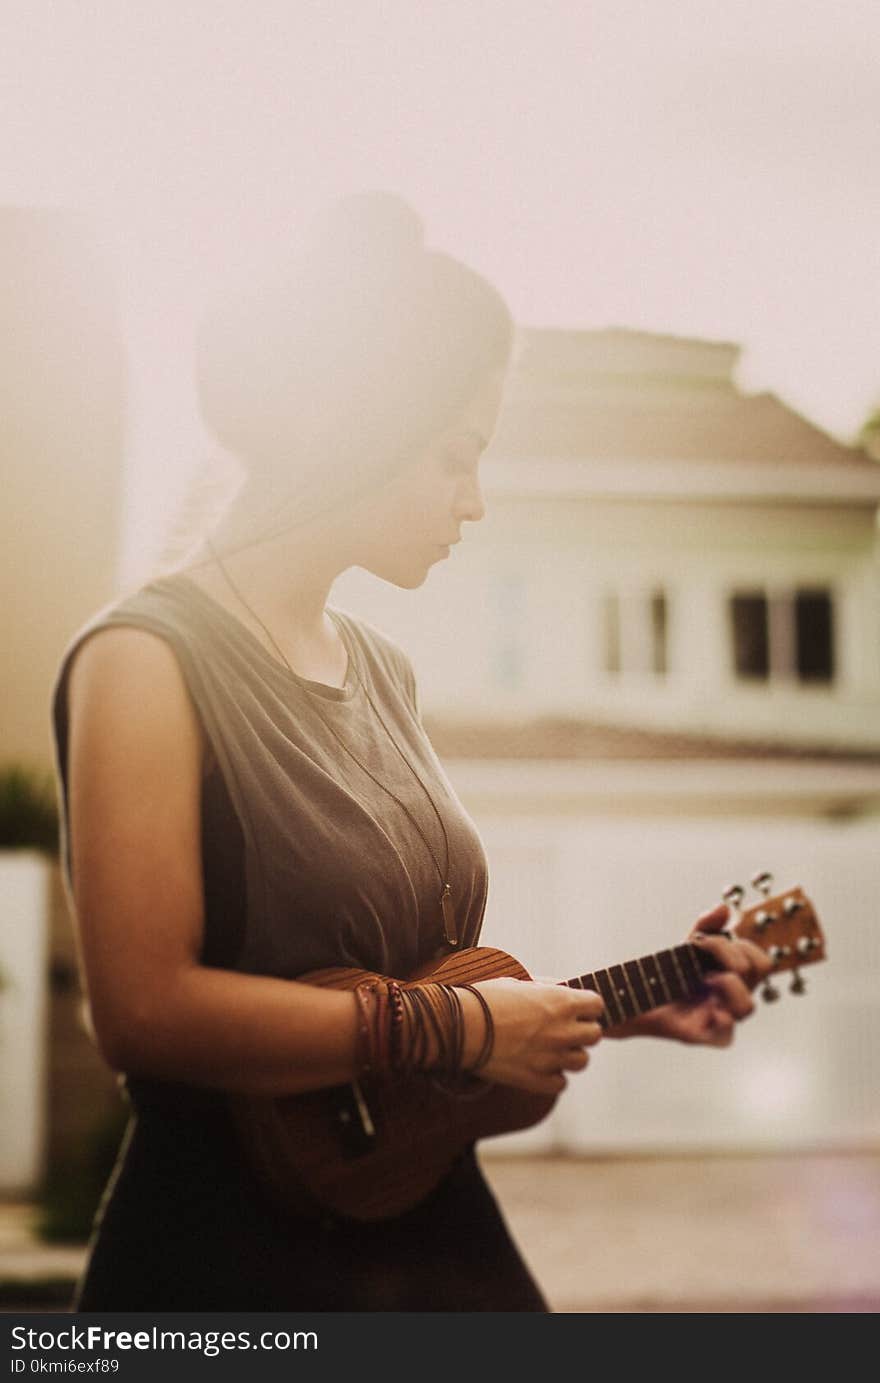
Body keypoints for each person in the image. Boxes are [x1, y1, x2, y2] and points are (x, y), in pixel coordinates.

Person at [51, 192, 771, 1312]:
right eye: (452, 453)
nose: (474, 501)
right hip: (224, 1273)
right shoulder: (145, 659)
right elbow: (145, 1011)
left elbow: (414, 1007)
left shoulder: (385, 671)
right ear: (360, 423)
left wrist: (625, 1002)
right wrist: (476, 1025)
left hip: (433, 1244)